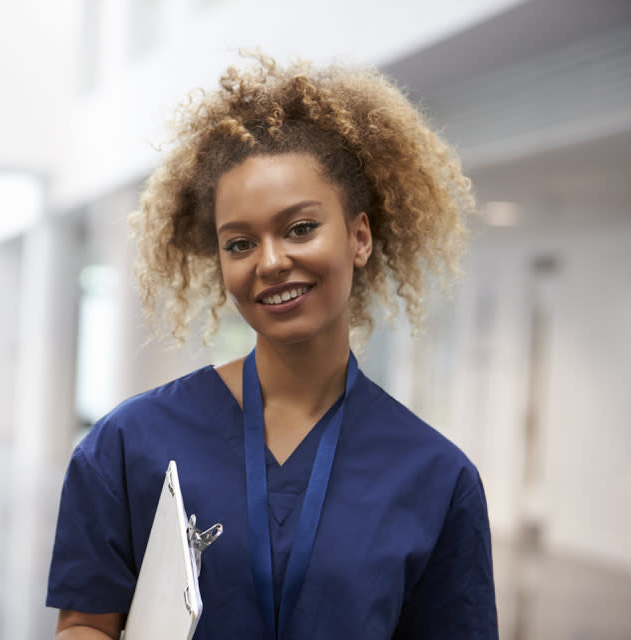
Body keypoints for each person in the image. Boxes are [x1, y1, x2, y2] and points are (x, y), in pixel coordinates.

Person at [46, 55, 498, 639]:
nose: (271, 261)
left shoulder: (436, 479)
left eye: (300, 228)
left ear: (359, 237)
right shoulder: (129, 445)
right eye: (239, 243)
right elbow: (86, 625)